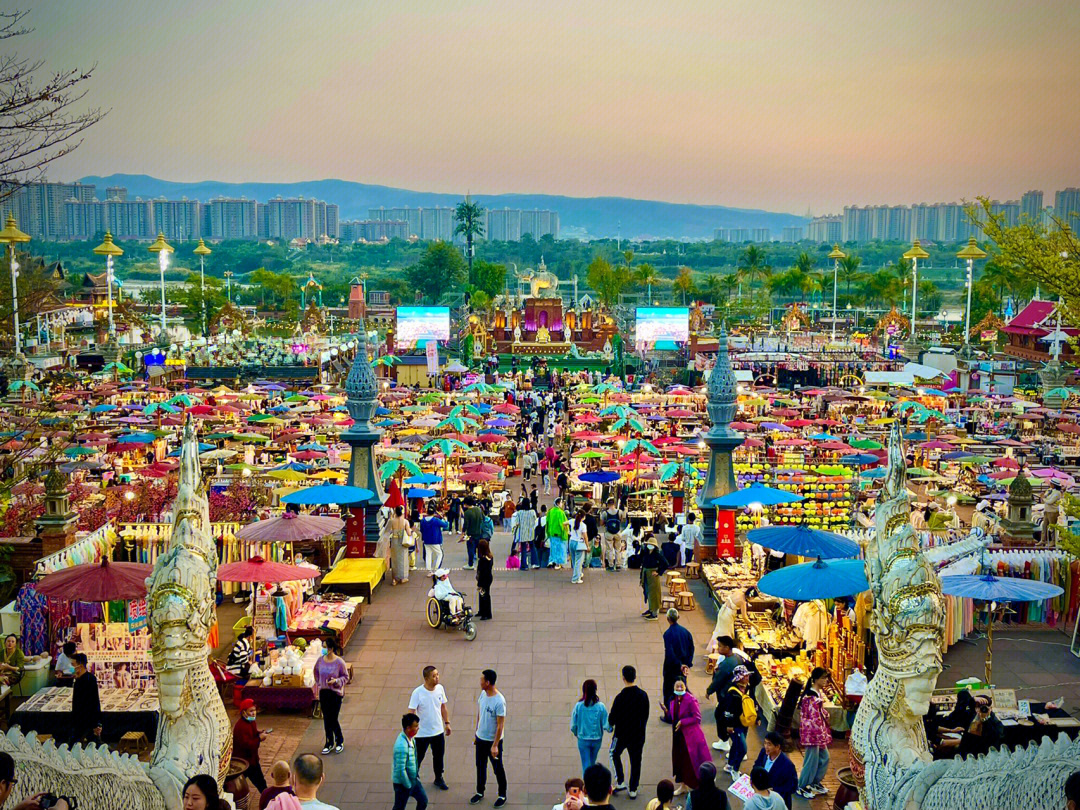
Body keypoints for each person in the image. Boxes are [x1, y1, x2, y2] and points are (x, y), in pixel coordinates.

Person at [607, 665, 649, 798]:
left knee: (614, 753)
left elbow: (612, 718)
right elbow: (645, 716)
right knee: (636, 761)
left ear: (623, 678)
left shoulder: (620, 698)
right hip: (638, 736)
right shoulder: (643, 696)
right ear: (635, 677)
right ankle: (633, 788)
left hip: (621, 735)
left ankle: (620, 780)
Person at [409, 666, 451, 791]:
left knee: (438, 756)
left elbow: (443, 707)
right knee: (418, 757)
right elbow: (412, 712)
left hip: (437, 731)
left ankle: (438, 777)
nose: (437, 677)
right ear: (426, 678)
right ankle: (413, 779)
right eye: (434, 676)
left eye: (437, 674)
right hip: (422, 733)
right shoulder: (418, 693)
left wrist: (447, 723)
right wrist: (412, 730)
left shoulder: (440, 689)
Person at [668, 678, 711, 795]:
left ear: (685, 687)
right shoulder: (674, 700)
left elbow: (697, 718)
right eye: (677, 686)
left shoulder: (691, 700)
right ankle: (683, 785)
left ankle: (693, 786)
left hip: (690, 737)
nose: (679, 689)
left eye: (681, 686)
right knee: (680, 761)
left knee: (691, 763)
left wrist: (683, 722)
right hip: (678, 736)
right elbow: (674, 715)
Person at [471, 668, 507, 807]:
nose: (480, 682)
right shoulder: (483, 695)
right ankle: (480, 791)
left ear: (487, 682)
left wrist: (495, 745)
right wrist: (477, 732)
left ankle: (502, 794)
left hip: (492, 742)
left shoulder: (499, 701)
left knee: (497, 768)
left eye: (481, 680)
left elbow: (500, 725)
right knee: (480, 766)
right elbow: (480, 713)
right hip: (481, 738)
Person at [795, 667, 831, 800]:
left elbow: (819, 713)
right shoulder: (810, 696)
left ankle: (814, 782)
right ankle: (803, 785)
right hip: (812, 734)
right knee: (811, 760)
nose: (826, 680)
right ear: (815, 679)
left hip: (818, 734)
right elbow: (811, 718)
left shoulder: (817, 694)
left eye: (826, 677)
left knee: (824, 757)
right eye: (823, 678)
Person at [314, 641, 349, 755]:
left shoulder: (339, 662)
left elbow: (345, 677)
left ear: (331, 648)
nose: (324, 649)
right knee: (326, 718)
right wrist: (320, 683)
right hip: (324, 693)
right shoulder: (320, 660)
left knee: (333, 718)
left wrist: (337, 681)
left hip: (335, 693)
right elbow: (316, 672)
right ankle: (329, 742)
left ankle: (339, 740)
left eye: (326, 647)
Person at [721, 666, 755, 778]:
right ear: (739, 678)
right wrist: (729, 725)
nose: (747, 677)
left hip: (744, 723)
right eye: (745, 676)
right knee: (743, 748)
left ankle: (729, 765)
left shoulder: (747, 688)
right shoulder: (732, 693)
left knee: (736, 745)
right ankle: (735, 769)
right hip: (735, 726)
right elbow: (728, 711)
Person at [705, 635, 739, 751]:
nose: (718, 648)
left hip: (726, 695)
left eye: (720, 646)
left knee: (721, 716)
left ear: (727, 647)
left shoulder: (727, 663)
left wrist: (709, 691)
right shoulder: (736, 659)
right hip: (733, 694)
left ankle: (725, 741)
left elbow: (718, 680)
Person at [661, 608, 694, 721]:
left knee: (669, 691)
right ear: (678, 617)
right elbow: (691, 648)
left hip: (671, 668)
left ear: (668, 619)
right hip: (682, 668)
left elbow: (670, 653)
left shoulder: (667, 634)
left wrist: (679, 664)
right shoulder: (686, 632)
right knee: (681, 688)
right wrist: (687, 664)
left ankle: (669, 715)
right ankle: (683, 712)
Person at [750, 732, 797, 809]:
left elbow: (792, 787)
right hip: (762, 798)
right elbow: (756, 766)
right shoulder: (763, 752)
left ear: (777, 746)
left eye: (769, 744)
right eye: (765, 743)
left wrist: (773, 790)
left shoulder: (788, 765)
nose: (766, 746)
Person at [571, 679, 609, 772]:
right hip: (596, 739)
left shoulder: (578, 706)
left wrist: (577, 733)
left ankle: (587, 783)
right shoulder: (601, 706)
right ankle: (592, 781)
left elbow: (573, 725)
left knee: (585, 764)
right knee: (592, 762)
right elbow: (606, 724)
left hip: (583, 739)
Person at [393, 712, 428, 810]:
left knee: (423, 801)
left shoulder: (410, 738)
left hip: (413, 779)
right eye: (416, 726)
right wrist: (408, 785)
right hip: (403, 784)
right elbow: (400, 769)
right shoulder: (401, 746)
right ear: (408, 728)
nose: (418, 728)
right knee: (399, 807)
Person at [233, 698, 269, 792]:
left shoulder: (251, 721)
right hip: (244, 761)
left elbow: (253, 733)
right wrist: (259, 738)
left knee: (261, 783)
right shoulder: (241, 726)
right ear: (244, 712)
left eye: (255, 710)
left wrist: (259, 733)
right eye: (251, 711)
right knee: (259, 784)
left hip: (252, 760)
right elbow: (247, 745)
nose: (254, 713)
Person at [70, 652, 101, 746]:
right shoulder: (78, 680)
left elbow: (94, 701)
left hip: (87, 719)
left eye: (73, 665)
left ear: (80, 666)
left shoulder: (89, 680)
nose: (72, 668)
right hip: (80, 719)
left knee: (75, 743)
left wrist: (96, 723)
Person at [640, 537, 669, 620]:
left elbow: (666, 563)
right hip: (646, 574)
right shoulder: (646, 553)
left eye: (651, 545)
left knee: (654, 594)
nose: (650, 546)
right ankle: (651, 609)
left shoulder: (657, 554)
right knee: (648, 592)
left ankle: (654, 613)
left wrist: (659, 572)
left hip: (652, 575)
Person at [419, 504, 449, 572]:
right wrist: (446, 519)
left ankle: (429, 571)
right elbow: (445, 525)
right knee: (440, 554)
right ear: (434, 513)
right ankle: (436, 569)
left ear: (427, 512)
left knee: (428, 555)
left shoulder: (423, 521)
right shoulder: (436, 520)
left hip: (426, 540)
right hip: (436, 540)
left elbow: (421, 530)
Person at [388, 505, 413, 585]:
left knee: (395, 560)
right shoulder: (405, 521)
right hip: (402, 542)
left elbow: (388, 531)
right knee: (403, 559)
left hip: (394, 541)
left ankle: (394, 579)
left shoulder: (392, 521)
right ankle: (403, 578)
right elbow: (409, 533)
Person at [601, 499, 625, 571]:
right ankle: (618, 565)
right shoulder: (619, 512)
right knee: (618, 549)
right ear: (614, 504)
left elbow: (601, 523)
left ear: (608, 504)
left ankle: (611, 565)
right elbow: (621, 520)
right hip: (617, 532)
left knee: (609, 549)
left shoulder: (605, 513)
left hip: (609, 533)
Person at [462, 496, 485, 570]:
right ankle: (482, 564)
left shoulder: (467, 512)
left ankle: (470, 564)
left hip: (470, 534)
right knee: (480, 549)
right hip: (479, 532)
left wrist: (463, 532)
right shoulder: (479, 509)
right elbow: (484, 518)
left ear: (466, 504)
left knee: (471, 549)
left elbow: (466, 524)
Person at [547, 498, 569, 569]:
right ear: (558, 503)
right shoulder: (560, 512)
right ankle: (558, 563)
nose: (562, 504)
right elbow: (563, 524)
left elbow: (547, 522)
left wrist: (548, 532)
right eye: (561, 503)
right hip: (559, 534)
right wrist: (566, 531)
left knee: (553, 549)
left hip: (551, 533)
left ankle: (553, 562)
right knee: (560, 549)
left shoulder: (550, 511)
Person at [476, 539, 494, 620]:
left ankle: (486, 613)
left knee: (484, 595)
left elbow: (481, 571)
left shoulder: (483, 559)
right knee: (483, 594)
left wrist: (479, 580)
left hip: (483, 579)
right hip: (488, 578)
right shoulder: (489, 557)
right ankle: (482, 611)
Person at [569, 510, 589, 584]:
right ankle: (575, 578)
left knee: (574, 561)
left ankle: (578, 574)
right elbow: (585, 537)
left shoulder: (572, 521)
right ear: (583, 517)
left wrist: (568, 532)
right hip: (579, 543)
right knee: (579, 562)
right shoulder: (583, 525)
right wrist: (588, 546)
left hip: (571, 542)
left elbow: (564, 523)